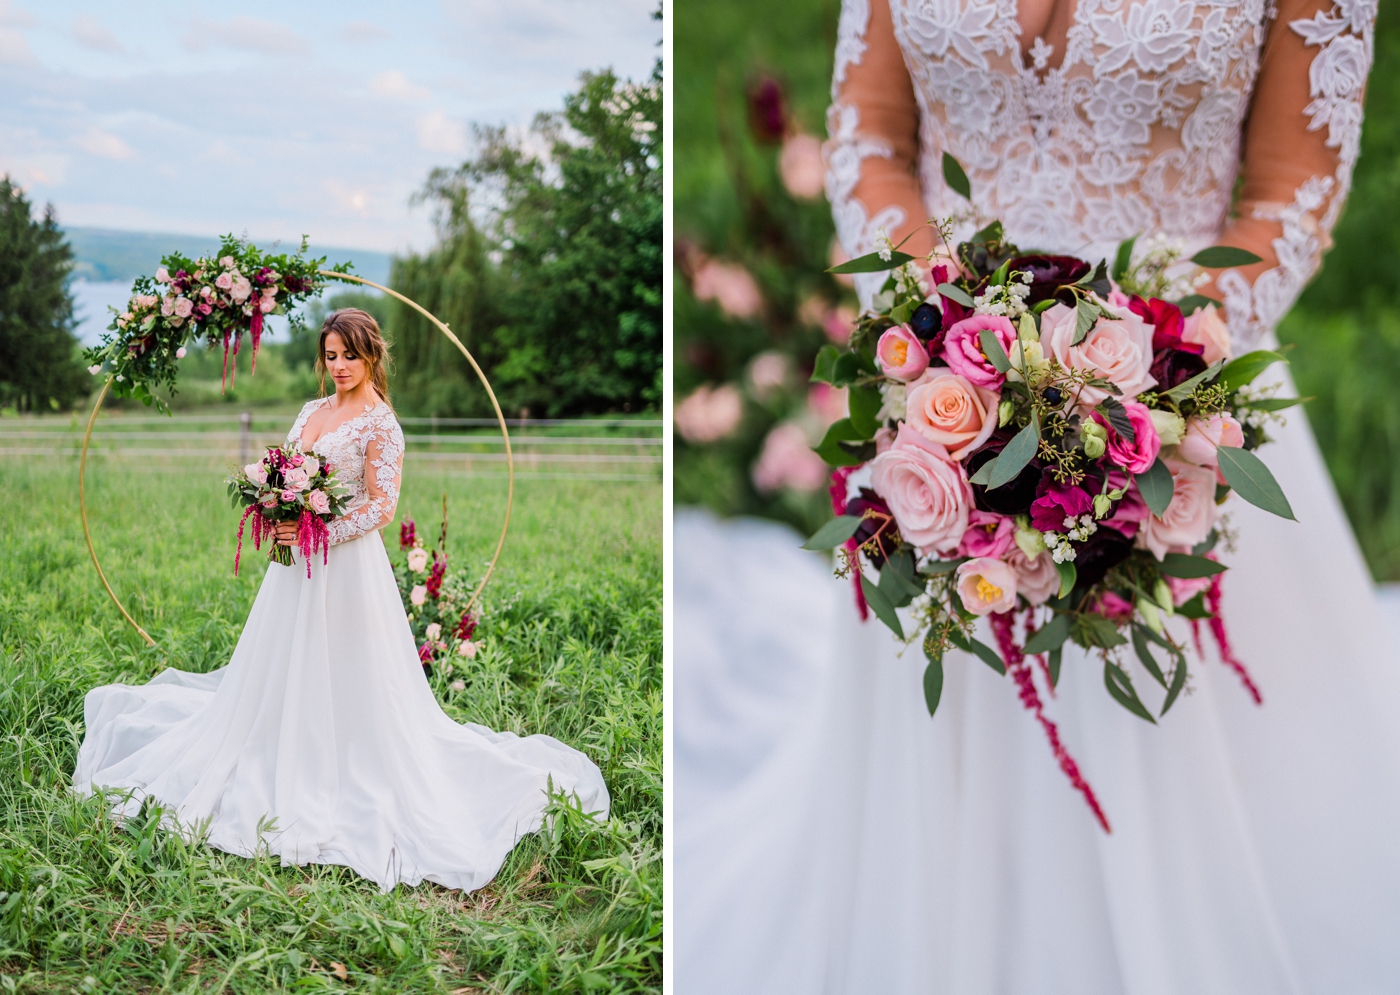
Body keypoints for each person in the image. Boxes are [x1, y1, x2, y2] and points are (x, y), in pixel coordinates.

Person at [676, 0, 1400, 991]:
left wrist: (1152, 385)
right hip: (939, 384)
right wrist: (942, 343)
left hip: (1179, 400)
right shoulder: (939, 364)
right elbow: (869, 136)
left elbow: (1291, 186)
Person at [74, 308, 608, 893]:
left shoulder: (381, 425)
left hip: (347, 566)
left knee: (348, 669)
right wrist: (278, 506)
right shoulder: (312, 410)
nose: (339, 367)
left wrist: (320, 528)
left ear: (372, 354)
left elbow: (383, 505)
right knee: (282, 664)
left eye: (349, 355)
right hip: (294, 567)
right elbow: (285, 470)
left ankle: (343, 763)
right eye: (330, 356)